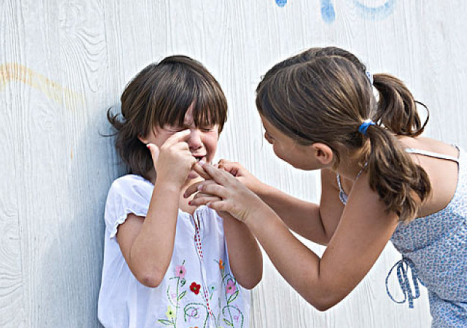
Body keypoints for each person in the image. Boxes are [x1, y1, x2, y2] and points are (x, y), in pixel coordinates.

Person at [187, 47, 467, 327]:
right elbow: (328, 229)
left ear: (320, 152)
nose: (265, 137)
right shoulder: (346, 154)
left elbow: (323, 290)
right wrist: (258, 191)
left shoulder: (382, 177)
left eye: (272, 137)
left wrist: (253, 211)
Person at [98, 55, 262, 328]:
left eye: (207, 126)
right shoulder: (131, 193)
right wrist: (169, 183)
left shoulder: (220, 199)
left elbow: (250, 277)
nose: (196, 141)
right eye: (179, 127)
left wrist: (233, 210)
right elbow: (149, 272)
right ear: (142, 131)